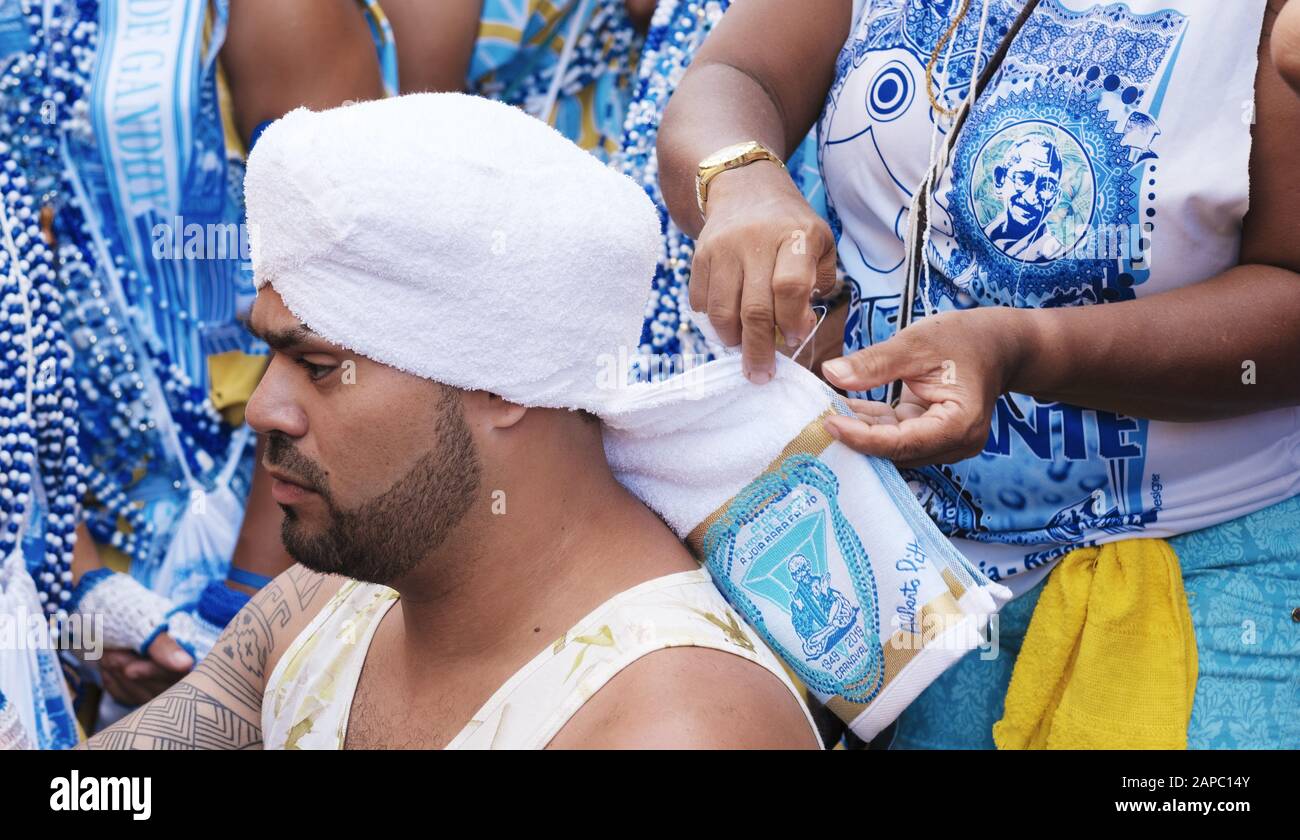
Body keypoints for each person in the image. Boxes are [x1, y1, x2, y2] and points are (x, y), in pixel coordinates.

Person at [83, 92, 821, 750]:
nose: (266, 411)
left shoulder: (678, 725)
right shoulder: (332, 604)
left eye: (316, 366)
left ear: (504, 379)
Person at [656, 0, 1300, 748]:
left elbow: (1289, 283)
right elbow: (736, 73)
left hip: (1196, 570)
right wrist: (743, 181)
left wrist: (1026, 349)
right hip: (897, 575)